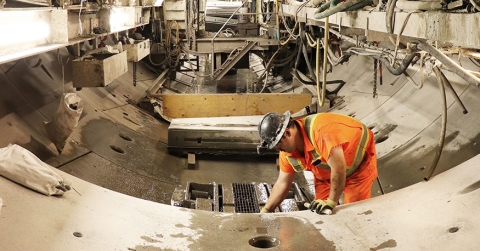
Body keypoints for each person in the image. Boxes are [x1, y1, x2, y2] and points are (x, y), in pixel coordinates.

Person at [257, 111, 378, 214]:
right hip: (326, 175)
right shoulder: (287, 153)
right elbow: (282, 183)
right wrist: (266, 210)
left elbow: (339, 168)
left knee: (353, 213)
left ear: (287, 133)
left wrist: (331, 202)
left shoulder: (321, 132)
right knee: (321, 211)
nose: (278, 150)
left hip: (358, 168)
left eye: (277, 145)